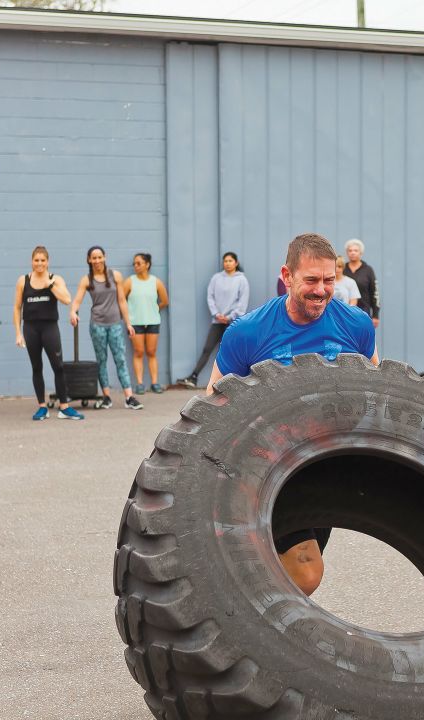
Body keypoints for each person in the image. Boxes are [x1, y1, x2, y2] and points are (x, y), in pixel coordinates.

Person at [207, 233, 377, 597]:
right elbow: (213, 405)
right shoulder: (248, 332)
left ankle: (250, 635)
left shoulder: (357, 326)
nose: (321, 290)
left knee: (289, 576)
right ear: (287, 276)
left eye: (329, 280)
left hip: (326, 472)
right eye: (311, 280)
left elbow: (377, 395)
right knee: (306, 571)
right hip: (268, 473)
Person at [12, 246, 84, 421]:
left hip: (49, 327)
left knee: (58, 366)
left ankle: (64, 407)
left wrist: (49, 285)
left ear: (48, 262)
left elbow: (67, 299)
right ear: (31, 261)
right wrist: (18, 333)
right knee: (37, 367)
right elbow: (17, 307)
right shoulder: (23, 280)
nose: (39, 263)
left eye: (42, 260)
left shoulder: (55, 279)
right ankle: (41, 407)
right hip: (30, 328)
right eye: (36, 260)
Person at [70, 246, 142, 410]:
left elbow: (122, 301)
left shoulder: (115, 276)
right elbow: (77, 300)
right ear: (89, 260)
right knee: (101, 361)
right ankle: (106, 397)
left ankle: (129, 397)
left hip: (115, 324)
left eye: (99, 257)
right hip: (97, 325)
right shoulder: (86, 279)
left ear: (104, 257)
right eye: (93, 258)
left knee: (120, 360)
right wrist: (73, 312)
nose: (97, 261)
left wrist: (128, 323)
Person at [178, 252, 249, 389]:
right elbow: (210, 296)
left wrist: (229, 317)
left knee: (232, 352)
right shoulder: (216, 278)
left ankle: (235, 382)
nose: (227, 263)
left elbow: (242, 302)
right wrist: (216, 314)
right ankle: (193, 377)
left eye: (230, 260)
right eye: (225, 261)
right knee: (207, 349)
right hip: (217, 321)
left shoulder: (242, 280)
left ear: (236, 263)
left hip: (232, 323)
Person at [123, 253, 169, 394]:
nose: (136, 266)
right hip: (135, 322)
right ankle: (140, 383)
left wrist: (154, 309)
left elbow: (165, 301)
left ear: (147, 264)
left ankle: (155, 383)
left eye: (139, 263)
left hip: (152, 322)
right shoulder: (129, 282)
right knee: (138, 352)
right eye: (134, 263)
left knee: (151, 352)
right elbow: (121, 300)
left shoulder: (156, 282)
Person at [342, 238, 379, 327]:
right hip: (345, 314)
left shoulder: (368, 270)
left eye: (356, 250)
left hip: (363, 312)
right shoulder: (342, 269)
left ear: (361, 253)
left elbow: (375, 293)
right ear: (347, 253)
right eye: (350, 250)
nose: (353, 253)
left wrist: (375, 315)